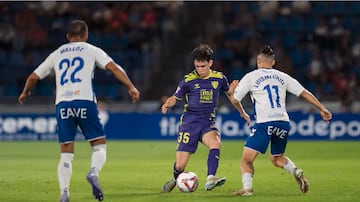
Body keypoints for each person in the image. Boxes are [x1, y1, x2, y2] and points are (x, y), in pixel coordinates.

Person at [18, 20, 140, 202]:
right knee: (99, 146)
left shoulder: (56, 53)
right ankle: (93, 172)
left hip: (63, 104)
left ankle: (64, 193)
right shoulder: (91, 49)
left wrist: (25, 93)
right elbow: (113, 67)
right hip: (85, 101)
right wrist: (131, 86)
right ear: (86, 35)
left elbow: (33, 76)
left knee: (66, 153)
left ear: (68, 37)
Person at [229, 45, 332, 196]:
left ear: (258, 60)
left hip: (264, 123)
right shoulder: (282, 76)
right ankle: (295, 170)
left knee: (246, 160)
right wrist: (322, 108)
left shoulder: (251, 76)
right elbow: (304, 93)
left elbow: (235, 100)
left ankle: (247, 189)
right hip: (283, 123)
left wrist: (232, 92)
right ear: (273, 62)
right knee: (276, 158)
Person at [161, 44, 250, 192]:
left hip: (207, 122)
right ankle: (176, 178)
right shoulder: (188, 80)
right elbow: (175, 98)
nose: (199, 69)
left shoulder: (220, 78)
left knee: (215, 143)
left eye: (202, 66)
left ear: (210, 63)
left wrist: (242, 112)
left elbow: (231, 95)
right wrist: (166, 105)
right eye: (197, 66)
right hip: (189, 123)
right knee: (180, 165)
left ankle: (210, 179)